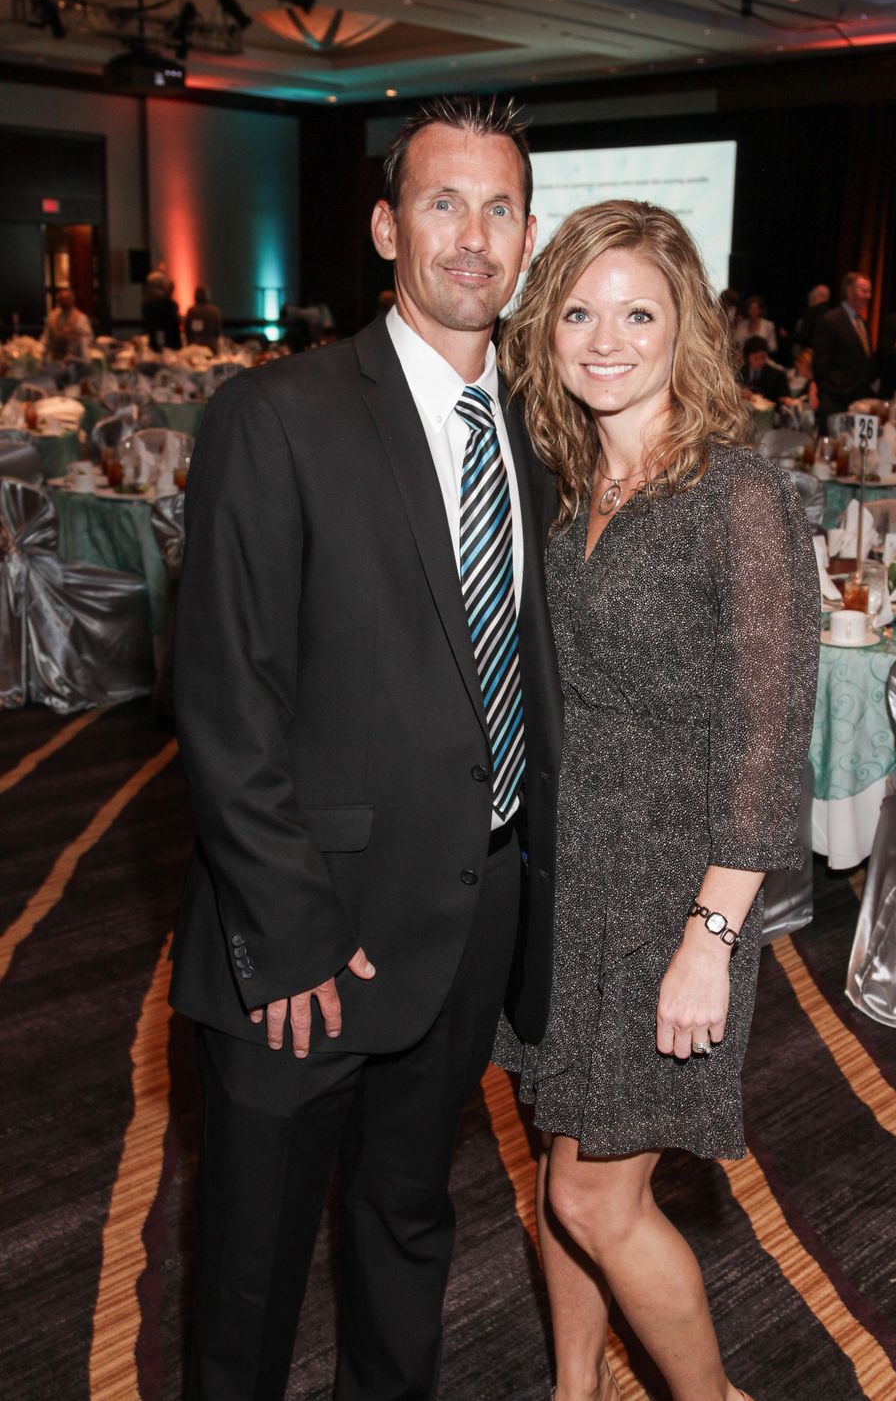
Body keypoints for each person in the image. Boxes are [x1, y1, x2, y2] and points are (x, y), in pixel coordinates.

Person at [170, 94, 562, 1401]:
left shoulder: (540, 434)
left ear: (526, 234)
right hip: (304, 940)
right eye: (443, 203)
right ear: (389, 225)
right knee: (250, 1271)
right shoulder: (277, 416)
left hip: (471, 916)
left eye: (498, 207)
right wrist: (281, 933)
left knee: (408, 1226)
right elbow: (228, 700)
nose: (473, 236)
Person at [495, 200, 819, 1401]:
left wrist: (711, 936)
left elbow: (770, 732)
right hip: (567, 880)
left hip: (673, 894)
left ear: (682, 323)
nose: (604, 338)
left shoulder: (735, 496)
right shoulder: (570, 482)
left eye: (636, 311)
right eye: (577, 311)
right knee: (555, 1162)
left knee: (596, 1191)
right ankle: (575, 1389)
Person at [812, 271, 877, 428]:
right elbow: (820, 363)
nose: (868, 296)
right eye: (864, 291)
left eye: (870, 291)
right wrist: (831, 391)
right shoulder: (831, 320)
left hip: (859, 399)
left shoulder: (864, 323)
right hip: (836, 400)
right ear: (849, 291)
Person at [41, 286, 92, 360]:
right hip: (55, 359)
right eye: (62, 299)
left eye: (67, 299)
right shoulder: (52, 317)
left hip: (74, 360)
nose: (65, 301)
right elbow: (46, 338)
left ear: (72, 299)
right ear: (58, 300)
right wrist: (41, 351)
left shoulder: (80, 318)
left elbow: (87, 340)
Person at [738, 334, 787, 404]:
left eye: (763, 357)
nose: (760, 362)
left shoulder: (777, 376)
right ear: (747, 357)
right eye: (755, 358)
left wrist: (754, 397)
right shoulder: (739, 372)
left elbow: (782, 403)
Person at [142, 273, 182, 351]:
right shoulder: (165, 302)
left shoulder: (146, 301)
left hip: (154, 340)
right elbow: (173, 322)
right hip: (168, 342)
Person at [792, 283, 831, 355]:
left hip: (811, 356)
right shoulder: (834, 314)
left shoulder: (810, 313)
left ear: (816, 297)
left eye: (811, 297)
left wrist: (790, 336)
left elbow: (803, 337)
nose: (810, 300)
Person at [184, 284, 222, 352]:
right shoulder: (215, 311)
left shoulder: (191, 311)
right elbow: (217, 332)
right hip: (211, 348)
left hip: (194, 347)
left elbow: (187, 331)